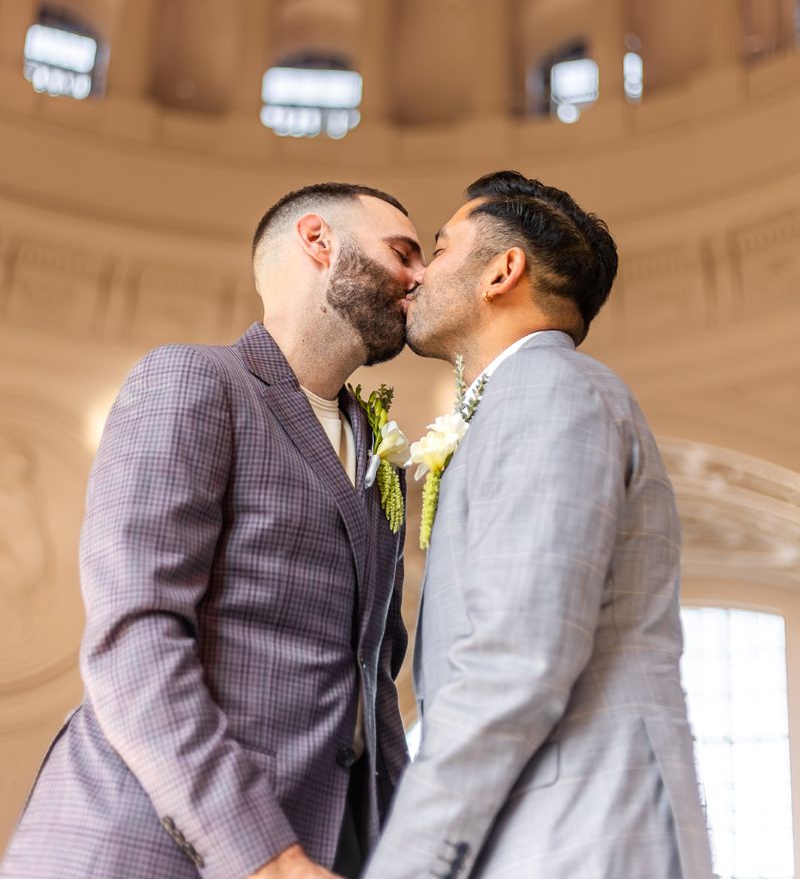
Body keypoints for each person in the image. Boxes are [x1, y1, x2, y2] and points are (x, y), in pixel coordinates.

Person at [1, 182, 425, 879]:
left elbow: (372, 683)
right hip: (147, 844)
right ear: (319, 241)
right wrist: (263, 853)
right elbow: (133, 643)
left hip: (330, 844)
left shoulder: (381, 455)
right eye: (403, 252)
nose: (419, 278)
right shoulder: (194, 381)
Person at [364, 171, 714, 879]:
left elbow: (515, 660)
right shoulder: (525, 399)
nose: (417, 277)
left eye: (439, 247)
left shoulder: (546, 392)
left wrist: (402, 866)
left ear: (503, 271)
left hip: (580, 838)